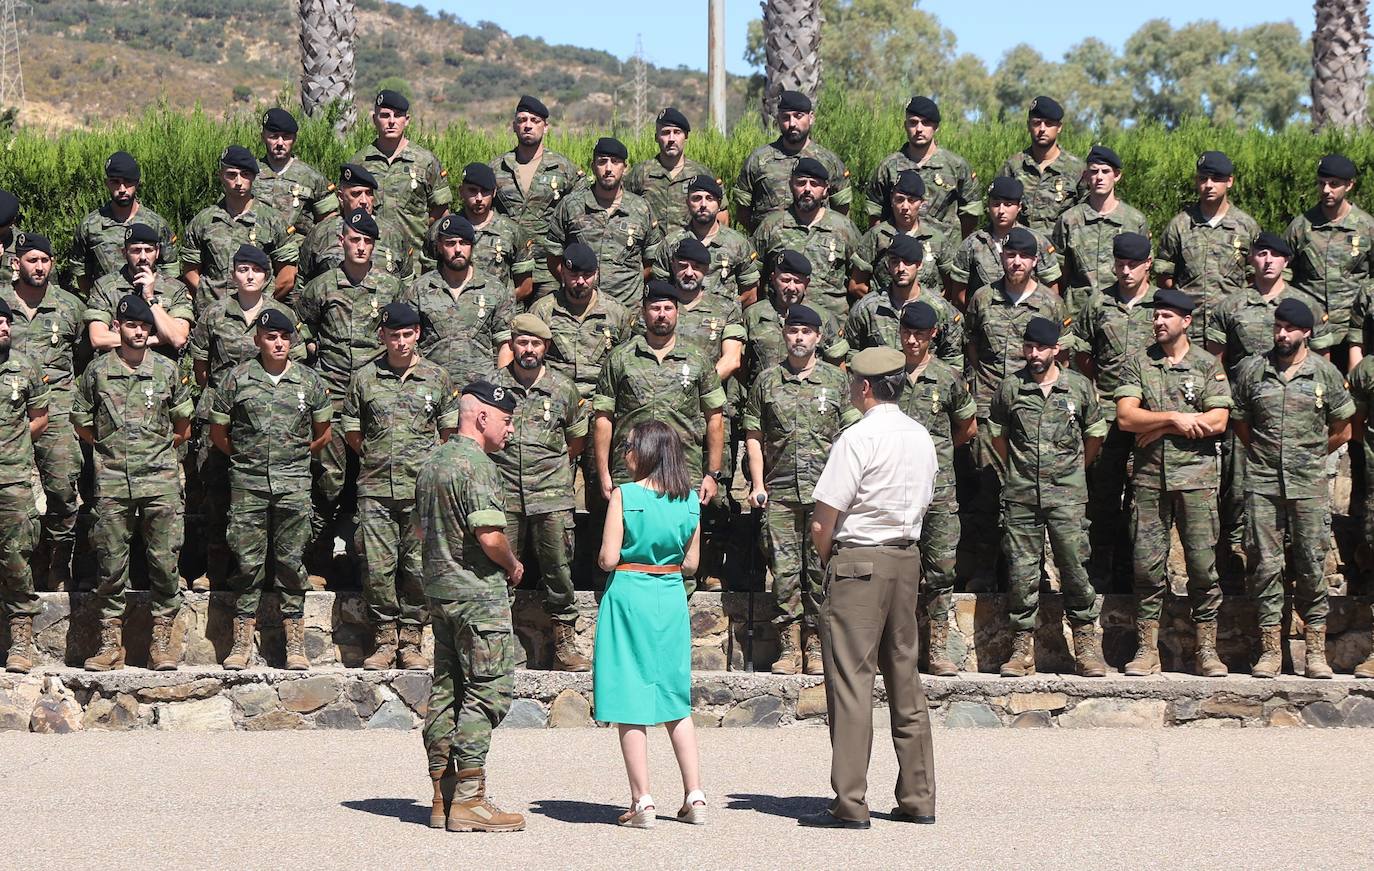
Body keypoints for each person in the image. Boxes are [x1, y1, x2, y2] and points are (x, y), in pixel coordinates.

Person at [801, 346, 937, 830]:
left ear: (863, 387)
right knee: (905, 678)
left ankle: (851, 802)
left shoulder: (857, 437)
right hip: (906, 557)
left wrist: (830, 561)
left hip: (859, 558)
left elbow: (823, 521)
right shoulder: (921, 435)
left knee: (851, 683)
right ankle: (919, 797)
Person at [416, 380, 525, 833]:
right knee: (487, 691)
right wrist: (513, 565)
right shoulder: (477, 466)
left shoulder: (432, 462)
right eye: (506, 420)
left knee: (447, 690)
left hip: (441, 593)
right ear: (482, 417)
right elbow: (490, 536)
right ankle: (470, 801)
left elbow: (420, 533)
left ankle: (441, 797)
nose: (510, 430)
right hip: (478, 597)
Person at [1231, 298, 1354, 679]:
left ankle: (1315, 652)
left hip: (1308, 484)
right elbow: (1241, 423)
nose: (1281, 334)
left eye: (1289, 329)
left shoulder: (1324, 373)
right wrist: (1265, 455)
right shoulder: (1254, 370)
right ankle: (1270, 651)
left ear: (1307, 332)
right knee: (1265, 565)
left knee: (1311, 564)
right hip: (1264, 483)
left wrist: (1310, 456)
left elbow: (1343, 429)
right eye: (1278, 327)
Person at [594, 419, 706, 828]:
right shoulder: (690, 500)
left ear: (645, 452)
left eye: (629, 445)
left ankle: (642, 801)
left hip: (629, 592)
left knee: (630, 696)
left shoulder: (624, 495)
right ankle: (695, 796)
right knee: (675, 697)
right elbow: (692, 563)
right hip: (670, 595)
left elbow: (608, 558)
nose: (625, 451)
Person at [1113, 288, 1231, 677]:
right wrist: (1176, 418)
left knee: (1202, 566)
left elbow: (1218, 421)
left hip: (1196, 480)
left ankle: (1207, 650)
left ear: (1186, 321)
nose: (1158, 322)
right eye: (1156, 316)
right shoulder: (1140, 363)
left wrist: (1161, 425)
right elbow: (1127, 418)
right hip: (1150, 480)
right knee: (1147, 567)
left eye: (1166, 316)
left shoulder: (1207, 365)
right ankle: (1147, 650)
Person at [73, 294, 194, 671]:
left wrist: (155, 452)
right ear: (117, 327)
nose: (139, 331)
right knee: (110, 565)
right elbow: (81, 421)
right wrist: (109, 449)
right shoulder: (97, 371)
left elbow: (183, 426)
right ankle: (110, 646)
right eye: (131, 325)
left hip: (160, 481)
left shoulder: (167, 370)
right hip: (112, 481)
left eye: (144, 326)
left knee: (164, 562)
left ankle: (162, 645)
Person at [209, 309, 333, 670]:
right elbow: (219, 434)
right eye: (270, 337)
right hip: (248, 483)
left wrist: (293, 457)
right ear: (257, 340)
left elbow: (323, 434)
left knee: (291, 562)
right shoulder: (236, 379)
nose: (278, 343)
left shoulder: (309, 382)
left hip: (293, 483)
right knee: (247, 562)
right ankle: (241, 642)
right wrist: (246, 458)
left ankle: (295, 643)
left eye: (284, 337)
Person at [1206, 233, 1331, 583]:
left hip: (1297, 419)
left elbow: (1322, 364)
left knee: (1300, 504)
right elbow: (1216, 365)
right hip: (1245, 415)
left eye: (1275, 255)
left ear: (1286, 262)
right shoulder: (1230, 306)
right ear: (1251, 259)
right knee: (1236, 492)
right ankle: (1234, 567)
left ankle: (1293, 573)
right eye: (1261, 254)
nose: (1268, 261)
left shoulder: (1305, 305)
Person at [743, 303, 859, 675]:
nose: (799, 337)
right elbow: (754, 435)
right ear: (784, 334)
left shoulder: (836, 381)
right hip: (780, 492)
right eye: (793, 330)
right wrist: (757, 483)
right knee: (784, 571)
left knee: (820, 570)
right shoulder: (767, 381)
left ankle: (816, 643)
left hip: (826, 493)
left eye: (806, 332)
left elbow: (852, 436)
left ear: (818, 337)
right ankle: (789, 647)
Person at [991, 317, 1109, 678]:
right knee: (1021, 572)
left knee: (1074, 568)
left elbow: (1095, 435)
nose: (1034, 354)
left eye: (1041, 348)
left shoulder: (1078, 387)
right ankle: (1021, 650)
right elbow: (998, 436)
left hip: (1067, 496)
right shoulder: (1011, 388)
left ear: (1056, 349)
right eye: (1029, 347)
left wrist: (1073, 472)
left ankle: (1086, 648)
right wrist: (1018, 472)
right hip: (1022, 494)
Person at [344, 302, 458, 671]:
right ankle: (383, 640)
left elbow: (448, 431)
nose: (401, 342)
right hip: (375, 488)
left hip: (420, 491)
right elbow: (353, 431)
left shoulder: (436, 378)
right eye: (394, 335)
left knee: (418, 567)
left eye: (408, 334)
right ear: (382, 335)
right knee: (377, 568)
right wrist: (377, 456)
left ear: (418, 334)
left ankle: (411, 640)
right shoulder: (365, 378)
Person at [593, 281, 726, 595]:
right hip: (630, 468)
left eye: (668, 308)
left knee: (680, 551)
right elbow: (603, 418)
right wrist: (603, 472)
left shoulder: (698, 359)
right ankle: (626, 606)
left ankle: (677, 610)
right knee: (626, 544)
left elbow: (715, 418)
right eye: (655, 308)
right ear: (643, 312)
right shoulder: (621, 358)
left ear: (677, 312)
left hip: (683, 468)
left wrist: (712, 472)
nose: (661, 314)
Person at [960, 227, 1072, 590]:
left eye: (1024, 256)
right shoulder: (982, 298)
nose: (1016, 262)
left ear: (1036, 261)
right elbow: (971, 344)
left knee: (1031, 494)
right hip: (988, 408)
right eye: (1010, 255)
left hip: (1032, 412)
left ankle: (1032, 571)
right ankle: (985, 570)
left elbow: (1063, 356)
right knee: (987, 492)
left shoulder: (1050, 304)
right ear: (1002, 258)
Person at [188, 245, 305, 592]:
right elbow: (201, 369)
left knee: (272, 500)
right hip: (223, 413)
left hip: (270, 418)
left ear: (268, 276)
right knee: (217, 493)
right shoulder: (214, 314)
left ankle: (271, 573)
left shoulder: (282, 314)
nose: (249, 275)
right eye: (242, 269)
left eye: (256, 270)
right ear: (233, 274)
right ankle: (215, 569)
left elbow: (297, 365)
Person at [297, 208, 405, 581]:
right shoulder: (323, 286)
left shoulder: (390, 287)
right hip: (332, 393)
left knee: (373, 480)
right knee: (328, 480)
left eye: (367, 241)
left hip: (376, 396)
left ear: (375, 246)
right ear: (341, 241)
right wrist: (311, 347)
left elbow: (403, 330)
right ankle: (317, 560)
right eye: (354, 240)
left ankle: (368, 565)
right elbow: (301, 323)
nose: (360, 247)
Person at [490, 314, 590, 671]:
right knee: (498, 571)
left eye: (535, 343)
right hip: (503, 493)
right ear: (512, 344)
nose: (528, 349)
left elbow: (576, 440)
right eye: (522, 342)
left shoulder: (563, 388)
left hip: (551, 494)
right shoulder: (493, 386)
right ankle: (496, 646)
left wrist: (550, 470)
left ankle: (565, 643)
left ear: (545, 347)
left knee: (558, 569)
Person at [1072, 232, 1158, 592]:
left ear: (1148, 264)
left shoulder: (1159, 305)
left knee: (1144, 500)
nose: (1125, 271)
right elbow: (1081, 350)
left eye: (1133, 265)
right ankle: (1100, 572)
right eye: (1120, 264)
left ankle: (1135, 573)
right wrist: (1098, 385)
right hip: (1107, 413)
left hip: (1148, 418)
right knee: (1103, 497)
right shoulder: (1099, 302)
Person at [895, 302, 977, 676]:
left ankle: (938, 648)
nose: (912, 341)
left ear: (933, 335)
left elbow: (967, 427)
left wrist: (934, 454)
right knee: (895, 567)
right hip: (893, 487)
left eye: (919, 334)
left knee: (941, 567)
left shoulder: (947, 377)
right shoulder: (888, 375)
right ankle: (895, 648)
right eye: (906, 333)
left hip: (937, 487)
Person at [2, 233, 83, 590]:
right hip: (8, 413)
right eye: (31, 260)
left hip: (57, 410)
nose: (39, 267)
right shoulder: (2, 303)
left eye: (45, 260)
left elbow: (82, 355)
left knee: (63, 488)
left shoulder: (69, 306)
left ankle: (59, 562)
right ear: (16, 263)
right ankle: (18, 567)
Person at [1154, 151, 1260, 342]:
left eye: (1216, 179)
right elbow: (1164, 277)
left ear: (1229, 181)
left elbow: (1255, 277)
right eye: (1203, 178)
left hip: (1233, 329)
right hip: (1189, 331)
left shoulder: (1246, 227)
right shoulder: (1180, 225)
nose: (1209, 185)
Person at [546, 136, 662, 308]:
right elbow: (553, 256)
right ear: (593, 166)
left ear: (625, 168)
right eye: (602, 162)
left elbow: (651, 261)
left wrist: (630, 286)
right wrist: (575, 287)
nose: (608, 168)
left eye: (615, 162)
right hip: (580, 308)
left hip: (627, 308)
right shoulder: (571, 206)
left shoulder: (641, 209)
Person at [401, 213, 514, 388]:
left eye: (464, 243)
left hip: (482, 389)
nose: (458, 249)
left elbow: (505, 344)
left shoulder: (494, 289)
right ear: (439, 247)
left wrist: (500, 389)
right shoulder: (419, 290)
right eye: (450, 243)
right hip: (432, 387)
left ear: (472, 246)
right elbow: (407, 343)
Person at [489, 95, 585, 298]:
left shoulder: (563, 168)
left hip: (548, 270)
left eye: (535, 120)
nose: (528, 125)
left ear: (546, 127)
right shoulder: (498, 168)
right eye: (522, 120)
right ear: (514, 126)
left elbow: (579, 218)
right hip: (507, 268)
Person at [181, 145, 300, 310]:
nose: (238, 182)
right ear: (221, 176)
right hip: (212, 316)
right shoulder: (204, 221)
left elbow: (287, 275)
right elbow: (190, 271)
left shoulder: (273, 221)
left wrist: (259, 304)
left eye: (245, 174)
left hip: (257, 317)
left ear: (254, 176)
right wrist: (210, 305)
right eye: (231, 175)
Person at [0, 296, 49, 674]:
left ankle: (21, 639)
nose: (5, 327)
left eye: (6, 321)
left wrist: (11, 444)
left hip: (11, 477)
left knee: (15, 556)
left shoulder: (25, 366)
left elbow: (39, 419)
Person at [751, 158, 861, 320]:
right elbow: (753, 278)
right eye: (801, 183)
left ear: (825, 189)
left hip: (830, 325)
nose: (807, 189)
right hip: (780, 323)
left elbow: (859, 281)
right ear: (791, 185)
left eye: (814, 184)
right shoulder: (771, 226)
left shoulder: (844, 228)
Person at [1286, 154, 1373, 358]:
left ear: (1349, 185)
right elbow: (1284, 274)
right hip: (1311, 330)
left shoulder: (1367, 227)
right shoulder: (1301, 226)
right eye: (1321, 183)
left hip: (1354, 333)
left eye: (1334, 184)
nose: (1326, 190)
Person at [527, 243, 636, 400]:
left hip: (599, 398)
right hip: (553, 396)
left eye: (587, 275)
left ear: (596, 274)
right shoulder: (542, 310)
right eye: (573, 275)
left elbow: (627, 364)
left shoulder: (618, 314)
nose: (580, 281)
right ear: (562, 272)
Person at [734, 89, 851, 233]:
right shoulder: (759, 159)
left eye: (798, 116)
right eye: (785, 117)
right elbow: (742, 211)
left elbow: (842, 210)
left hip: (816, 244)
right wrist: (765, 235)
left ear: (811, 118)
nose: (792, 123)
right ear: (778, 119)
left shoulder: (829, 161)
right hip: (769, 244)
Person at [1051, 145, 1150, 312]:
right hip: (1077, 309)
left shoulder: (1134, 220)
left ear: (1117, 175)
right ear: (1086, 176)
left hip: (1118, 310)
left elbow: (1144, 270)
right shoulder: (1069, 220)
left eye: (1105, 171)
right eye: (1094, 171)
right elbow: (1059, 271)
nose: (1099, 177)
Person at [349, 90, 451, 252]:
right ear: (374, 119)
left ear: (407, 120)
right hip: (373, 255)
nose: (391, 121)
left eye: (397, 115)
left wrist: (421, 227)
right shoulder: (360, 162)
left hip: (415, 256)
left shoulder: (425, 161)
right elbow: (348, 208)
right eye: (385, 115)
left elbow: (441, 210)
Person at [865, 96, 981, 236]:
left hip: (943, 247)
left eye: (926, 123)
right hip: (900, 247)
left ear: (936, 127)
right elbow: (875, 213)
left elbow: (971, 212)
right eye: (913, 123)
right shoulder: (888, 167)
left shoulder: (956, 166)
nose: (919, 129)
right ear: (905, 125)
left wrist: (952, 242)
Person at [70, 151, 179, 298]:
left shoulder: (156, 224)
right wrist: (101, 299)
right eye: (115, 182)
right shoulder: (90, 225)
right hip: (106, 306)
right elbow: (82, 273)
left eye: (128, 182)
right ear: (107, 183)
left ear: (137, 183)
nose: (122, 189)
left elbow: (170, 273)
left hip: (148, 304)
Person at [846, 233, 963, 368]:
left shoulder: (940, 309)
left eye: (907, 262)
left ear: (919, 265)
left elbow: (953, 361)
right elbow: (852, 355)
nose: (901, 268)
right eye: (895, 261)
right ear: (888, 265)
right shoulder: (867, 308)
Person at [741, 250, 849, 391]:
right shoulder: (753, 315)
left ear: (807, 283)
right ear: (773, 279)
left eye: (797, 281)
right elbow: (740, 366)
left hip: (811, 397)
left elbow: (838, 368)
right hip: (765, 396)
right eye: (785, 280)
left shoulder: (823, 317)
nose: (791, 287)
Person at [948, 176, 1061, 308]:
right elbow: (959, 296)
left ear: (1019, 207)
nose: (1001, 211)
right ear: (988, 206)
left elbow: (1052, 291)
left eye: (1008, 205)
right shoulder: (972, 244)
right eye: (996, 204)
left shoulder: (1037, 241)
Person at [849, 170, 959, 303]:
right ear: (892, 200)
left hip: (924, 313)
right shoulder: (877, 236)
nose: (905, 207)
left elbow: (952, 285)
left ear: (922, 203)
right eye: (900, 200)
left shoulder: (936, 239)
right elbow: (856, 285)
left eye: (911, 200)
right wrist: (884, 303)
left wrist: (933, 306)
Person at [85, 224, 194, 356]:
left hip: (161, 366)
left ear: (157, 252)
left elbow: (178, 339)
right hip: (117, 365)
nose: (143, 257)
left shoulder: (175, 289)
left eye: (148, 250)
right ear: (124, 252)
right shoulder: (105, 287)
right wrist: (152, 340)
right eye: (136, 250)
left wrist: (150, 299)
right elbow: (98, 338)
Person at [653, 175, 760, 306]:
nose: (703, 204)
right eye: (696, 198)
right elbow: (660, 289)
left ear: (719, 204)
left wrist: (728, 311)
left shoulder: (738, 243)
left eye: (709, 198)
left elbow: (750, 294)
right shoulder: (671, 243)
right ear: (688, 203)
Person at [299, 164, 411, 286]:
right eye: (356, 194)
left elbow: (407, 285)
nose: (364, 201)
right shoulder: (321, 233)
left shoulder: (393, 233)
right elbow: (302, 284)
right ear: (341, 197)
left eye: (368, 193)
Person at [443, 162, 534, 299]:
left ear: (494, 192)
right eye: (472, 191)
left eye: (485, 191)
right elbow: (429, 279)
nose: (479, 198)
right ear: (461, 191)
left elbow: (525, 287)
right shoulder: (445, 230)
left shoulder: (512, 231)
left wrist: (497, 306)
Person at [995, 96, 1085, 234]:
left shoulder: (1077, 169)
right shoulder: (1014, 166)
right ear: (1028, 125)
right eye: (1037, 123)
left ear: (1059, 127)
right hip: (1020, 245)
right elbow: (997, 210)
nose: (1042, 129)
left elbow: (1086, 215)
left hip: (1060, 247)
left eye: (1049, 123)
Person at [625, 107, 718, 231]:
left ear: (686, 136)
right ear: (656, 137)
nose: (671, 139)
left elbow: (721, 215)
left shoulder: (701, 173)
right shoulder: (641, 172)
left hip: (690, 243)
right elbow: (624, 208)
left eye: (677, 132)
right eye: (666, 132)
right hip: (651, 243)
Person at [252, 108, 334, 238]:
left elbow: (330, 220)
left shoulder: (312, 177)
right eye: (274, 136)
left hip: (298, 248)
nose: (280, 143)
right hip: (254, 247)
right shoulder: (249, 174)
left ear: (294, 139)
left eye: (286, 137)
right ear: (263, 137)